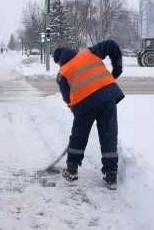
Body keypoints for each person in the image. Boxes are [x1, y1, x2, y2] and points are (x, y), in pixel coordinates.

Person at [53, 40, 124, 190]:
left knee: (79, 135)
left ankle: (72, 169)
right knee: (108, 134)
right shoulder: (89, 53)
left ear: (59, 61)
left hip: (84, 104)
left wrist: (75, 111)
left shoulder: (62, 73)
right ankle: (111, 175)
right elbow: (111, 44)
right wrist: (117, 67)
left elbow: (67, 98)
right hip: (107, 96)